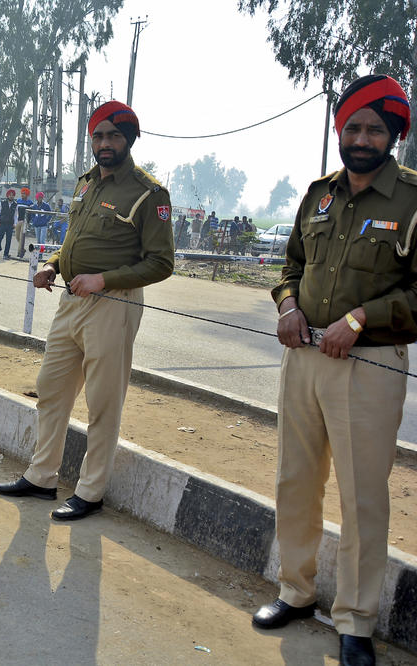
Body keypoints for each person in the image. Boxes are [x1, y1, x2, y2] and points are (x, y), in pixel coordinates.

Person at [253, 74, 417, 666]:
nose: (362, 137)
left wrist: (363, 317)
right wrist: (287, 305)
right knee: (295, 481)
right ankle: (295, 591)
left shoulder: (412, 200)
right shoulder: (318, 194)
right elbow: (290, 264)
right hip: (303, 358)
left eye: (375, 128)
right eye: (352, 126)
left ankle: (355, 622)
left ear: (394, 134)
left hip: (368, 365)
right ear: (339, 130)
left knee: (361, 497)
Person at [0, 100, 174, 521]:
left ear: (129, 139)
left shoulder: (149, 193)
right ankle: (41, 477)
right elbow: (75, 239)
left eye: (113, 135)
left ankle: (90, 491)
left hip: (112, 305)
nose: (105, 143)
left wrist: (104, 279)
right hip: (70, 301)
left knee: (102, 402)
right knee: (51, 388)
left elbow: (162, 263)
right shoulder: (85, 184)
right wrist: (53, 263)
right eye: (98, 135)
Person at [0, 188, 17, 258]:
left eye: (12, 195)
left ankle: (5, 254)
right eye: (10, 195)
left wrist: (15, 223)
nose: (11, 196)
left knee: (8, 240)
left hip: (10, 225)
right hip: (2, 223)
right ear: (7, 196)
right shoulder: (2, 203)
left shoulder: (16, 205)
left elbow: (16, 215)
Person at [15, 187, 33, 257]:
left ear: (27, 194)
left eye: (24, 194)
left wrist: (28, 222)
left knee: (21, 237)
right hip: (18, 221)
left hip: (25, 221)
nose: (22, 195)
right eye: (22, 193)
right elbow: (15, 211)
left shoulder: (30, 203)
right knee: (17, 237)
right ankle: (22, 249)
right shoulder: (18, 201)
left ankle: (19, 253)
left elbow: (31, 214)